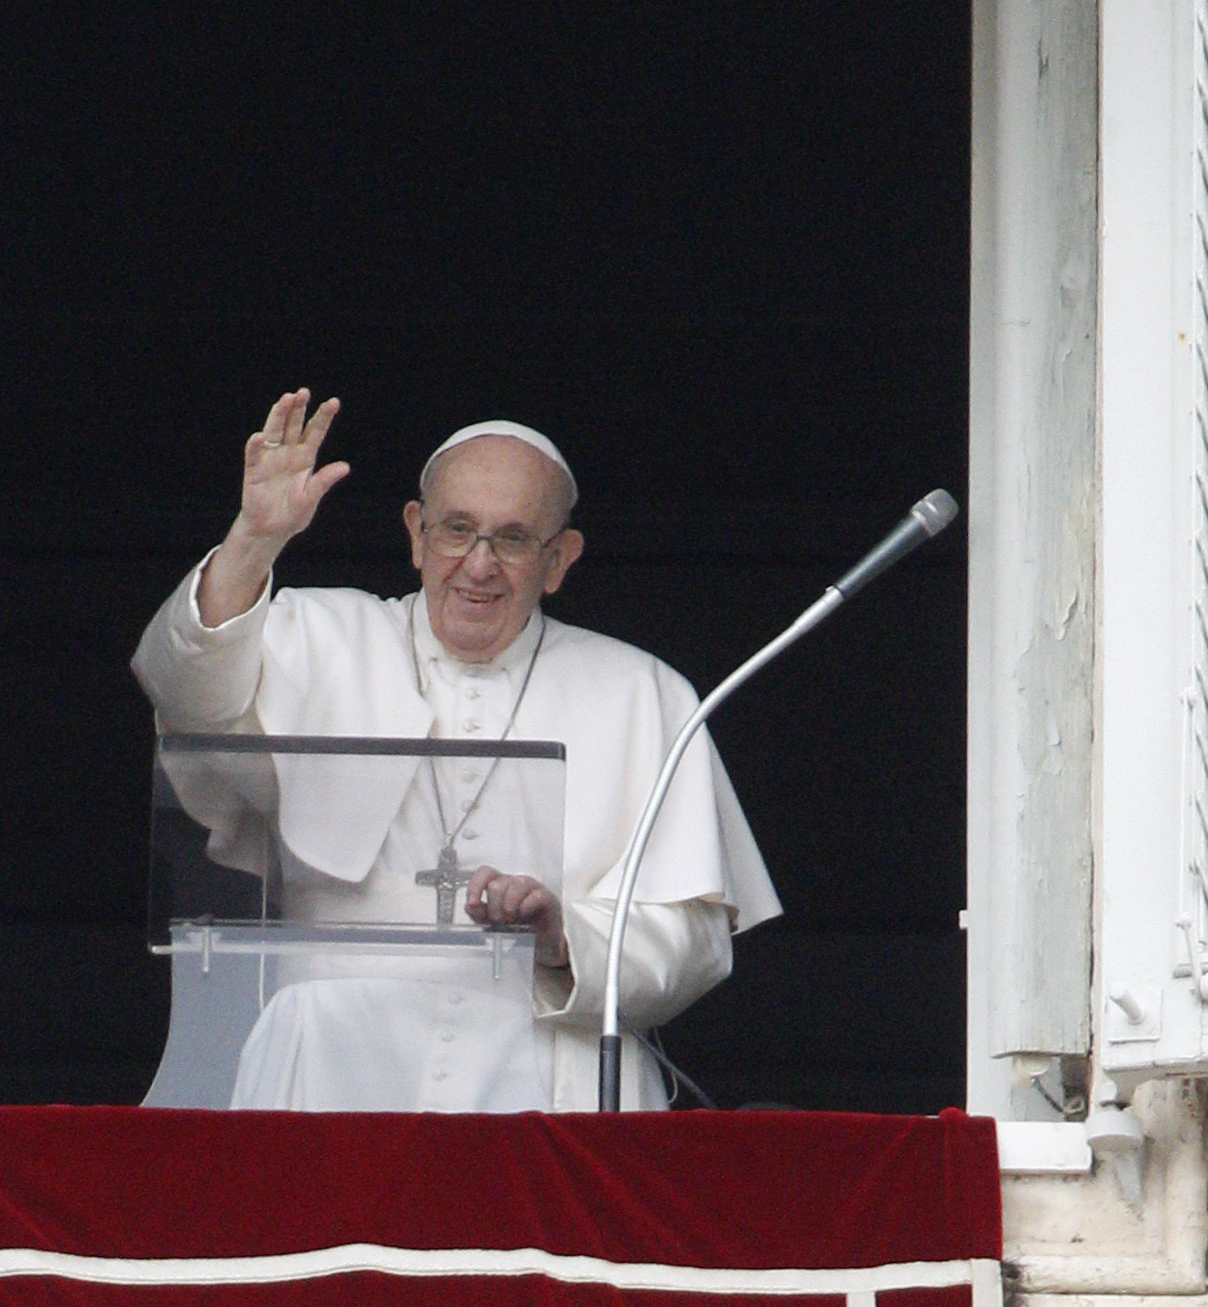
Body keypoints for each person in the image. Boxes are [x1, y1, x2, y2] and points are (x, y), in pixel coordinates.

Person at [133, 388, 780, 1112]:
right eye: (456, 529)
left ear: (559, 558)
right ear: (415, 533)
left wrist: (565, 937)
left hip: (549, 1073)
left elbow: (693, 941)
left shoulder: (642, 691)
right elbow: (187, 695)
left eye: (511, 538)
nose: (477, 565)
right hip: (329, 1069)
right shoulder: (315, 636)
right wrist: (254, 538)